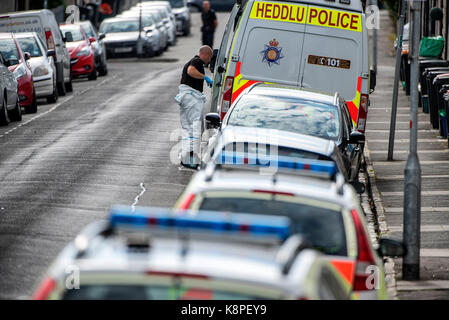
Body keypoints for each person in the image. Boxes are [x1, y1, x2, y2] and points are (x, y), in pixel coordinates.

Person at [175, 46, 214, 169]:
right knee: (195, 128)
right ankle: (192, 159)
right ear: (206, 54)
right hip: (192, 98)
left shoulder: (191, 61)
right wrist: (205, 77)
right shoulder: (197, 61)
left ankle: (186, 159)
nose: (209, 60)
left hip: (186, 97)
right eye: (210, 57)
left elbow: (182, 79)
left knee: (187, 129)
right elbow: (191, 71)